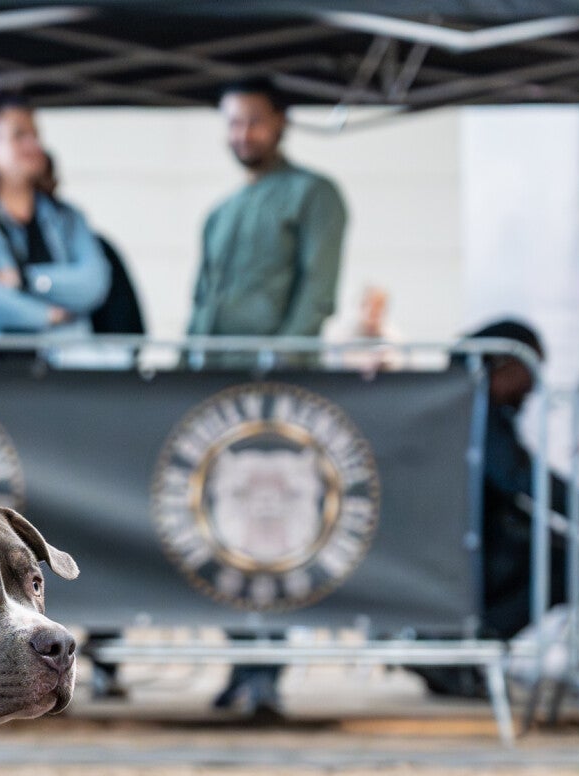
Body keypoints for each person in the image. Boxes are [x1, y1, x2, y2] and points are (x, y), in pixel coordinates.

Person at [189, 76, 349, 720]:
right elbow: (202, 305)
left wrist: (277, 367)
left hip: (281, 397)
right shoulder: (220, 213)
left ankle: (266, 670)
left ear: (281, 122)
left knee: (275, 527)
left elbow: (317, 294)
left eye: (253, 121)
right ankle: (240, 662)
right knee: (221, 529)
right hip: (215, 395)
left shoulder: (314, 195)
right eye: (233, 123)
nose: (242, 134)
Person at [467, 319, 579, 640]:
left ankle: (477, 640)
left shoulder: (459, 404)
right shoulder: (475, 412)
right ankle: (480, 639)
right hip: (479, 552)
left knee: (571, 560)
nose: (533, 386)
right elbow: (519, 475)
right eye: (531, 370)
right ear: (505, 363)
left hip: (470, 548)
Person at [0, 93, 110, 349]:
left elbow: (93, 284)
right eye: (18, 135)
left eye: (35, 135)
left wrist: (25, 280)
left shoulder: (67, 218)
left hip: (60, 360)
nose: (32, 144)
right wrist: (46, 315)